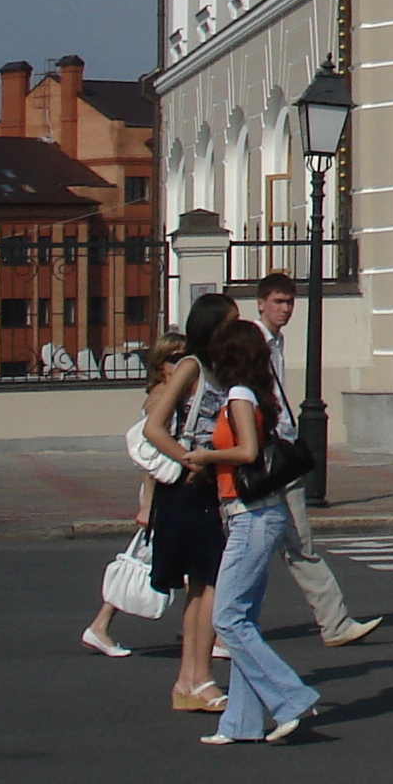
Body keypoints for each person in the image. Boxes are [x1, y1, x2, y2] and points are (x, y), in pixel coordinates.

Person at [184, 319, 320, 745]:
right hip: (254, 513)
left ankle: (290, 698)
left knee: (227, 618)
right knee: (243, 619)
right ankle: (240, 723)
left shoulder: (239, 394)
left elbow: (245, 451)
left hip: (251, 515)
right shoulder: (251, 393)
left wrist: (206, 456)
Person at [249, 273, 379, 648]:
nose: (285, 309)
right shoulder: (255, 341)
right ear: (260, 303)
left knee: (290, 544)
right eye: (277, 302)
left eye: (289, 302)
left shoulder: (275, 340)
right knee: (277, 546)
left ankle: (333, 622)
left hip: (277, 452)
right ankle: (222, 625)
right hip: (266, 456)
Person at [140, 293, 236, 712]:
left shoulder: (222, 371)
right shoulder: (191, 367)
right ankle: (197, 679)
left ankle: (190, 680)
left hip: (207, 486)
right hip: (185, 487)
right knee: (210, 582)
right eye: (230, 322)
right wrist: (188, 460)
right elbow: (153, 426)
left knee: (203, 585)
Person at [81, 328, 191, 658]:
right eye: (176, 358)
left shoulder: (172, 393)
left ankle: (201, 630)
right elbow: (152, 460)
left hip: (170, 492)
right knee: (151, 560)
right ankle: (100, 626)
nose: (183, 363)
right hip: (163, 493)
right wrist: (147, 505)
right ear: (161, 364)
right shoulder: (162, 398)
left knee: (180, 561)